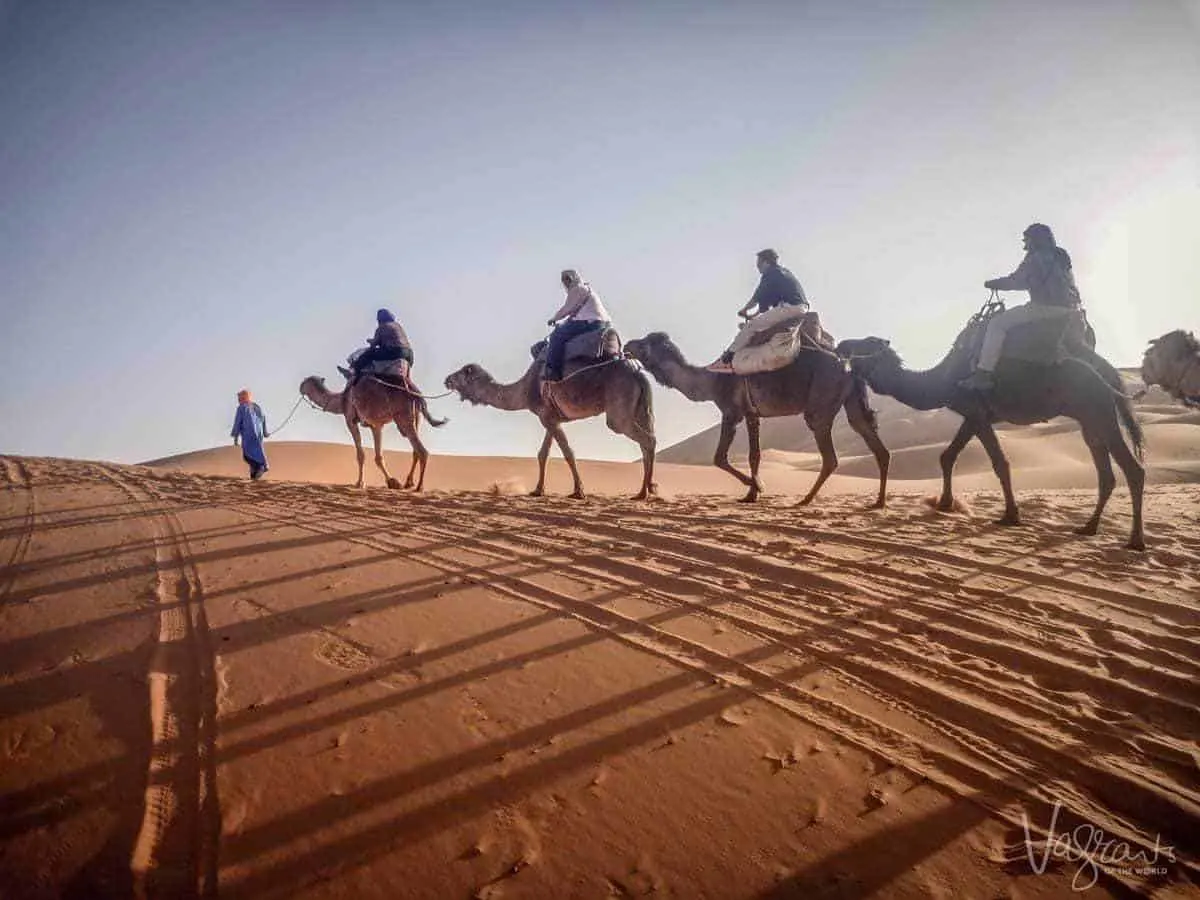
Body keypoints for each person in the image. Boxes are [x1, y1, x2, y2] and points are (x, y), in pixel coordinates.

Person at [960, 223, 1082, 392]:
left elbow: (1018, 281)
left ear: (1035, 240)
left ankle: (983, 374)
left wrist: (994, 283)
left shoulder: (1036, 258)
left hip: (1044, 307)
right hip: (1071, 309)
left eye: (1027, 240)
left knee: (997, 324)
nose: (1025, 245)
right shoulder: (1061, 256)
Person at [708, 248, 810, 372]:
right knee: (757, 324)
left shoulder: (770, 274)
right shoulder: (783, 272)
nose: (758, 267)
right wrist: (754, 315)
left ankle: (726, 360)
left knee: (750, 327)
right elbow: (765, 304)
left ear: (766, 262)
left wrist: (744, 310)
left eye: (759, 263)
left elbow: (756, 298)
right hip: (800, 307)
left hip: (791, 307)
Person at [544, 269, 612, 381]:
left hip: (588, 323)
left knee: (556, 336)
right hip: (603, 324)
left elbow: (566, 309)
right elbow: (574, 311)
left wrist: (554, 319)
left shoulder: (577, 289)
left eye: (567, 279)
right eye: (564, 280)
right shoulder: (587, 290)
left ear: (573, 278)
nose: (566, 282)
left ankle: (553, 371)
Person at [343, 308, 414, 384]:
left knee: (368, 354)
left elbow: (374, 345)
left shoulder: (382, 326)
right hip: (409, 355)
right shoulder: (397, 326)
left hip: (395, 351)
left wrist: (371, 342)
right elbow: (391, 339)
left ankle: (353, 370)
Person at [231, 389, 269, 480]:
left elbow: (237, 422)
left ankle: (261, 468)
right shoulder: (257, 407)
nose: (239, 400)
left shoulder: (241, 408)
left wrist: (235, 437)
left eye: (240, 397)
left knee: (247, 456)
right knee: (257, 454)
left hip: (248, 435)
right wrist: (265, 432)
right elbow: (263, 418)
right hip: (258, 436)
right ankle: (254, 478)